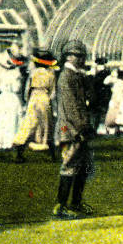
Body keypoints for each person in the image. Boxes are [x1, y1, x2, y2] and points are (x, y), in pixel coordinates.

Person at [52, 39, 95, 219]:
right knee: (70, 166)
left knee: (83, 167)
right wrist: (81, 129)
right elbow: (70, 107)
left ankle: (75, 203)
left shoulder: (75, 76)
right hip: (71, 130)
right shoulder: (66, 77)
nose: (81, 59)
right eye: (78, 55)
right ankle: (60, 205)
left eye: (82, 55)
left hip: (77, 128)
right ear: (69, 57)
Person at [11, 49, 58, 160]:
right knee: (47, 124)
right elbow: (53, 91)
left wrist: (26, 100)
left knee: (29, 123)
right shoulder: (51, 73)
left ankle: (19, 148)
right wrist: (52, 102)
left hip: (34, 97)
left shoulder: (34, 73)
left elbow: (28, 88)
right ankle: (51, 153)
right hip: (45, 98)